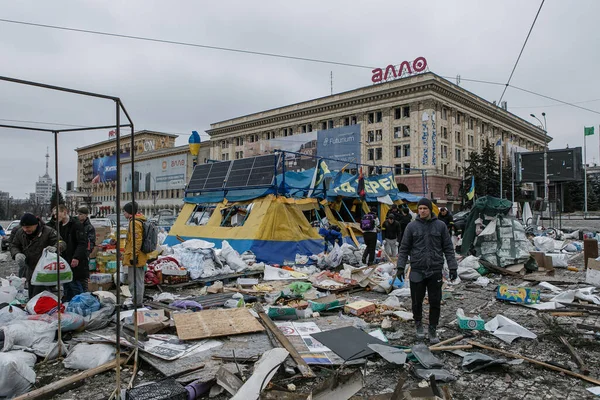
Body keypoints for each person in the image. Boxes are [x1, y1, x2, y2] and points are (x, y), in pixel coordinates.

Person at [396, 198, 458, 344]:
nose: (422, 211)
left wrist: (453, 266)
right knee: (416, 301)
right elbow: (404, 249)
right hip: (417, 269)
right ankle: (418, 325)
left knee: (435, 301)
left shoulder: (440, 226)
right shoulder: (411, 227)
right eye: (420, 208)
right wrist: (400, 267)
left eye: (425, 208)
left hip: (435, 269)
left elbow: (448, 248)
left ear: (430, 210)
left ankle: (432, 328)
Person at [10, 213, 60, 298]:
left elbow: (60, 242)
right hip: (30, 268)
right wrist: (16, 254)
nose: (26, 229)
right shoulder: (20, 232)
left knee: (40, 295)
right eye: (24, 227)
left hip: (44, 268)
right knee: (32, 294)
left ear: (36, 225)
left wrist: (55, 247)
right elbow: (14, 245)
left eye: (28, 227)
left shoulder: (48, 231)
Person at [51, 205, 89, 301]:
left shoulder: (76, 225)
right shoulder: (58, 225)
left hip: (75, 261)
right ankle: (69, 304)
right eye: (54, 215)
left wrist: (76, 257)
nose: (55, 217)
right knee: (66, 285)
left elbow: (82, 243)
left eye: (57, 214)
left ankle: (80, 304)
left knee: (75, 285)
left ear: (64, 212)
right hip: (64, 260)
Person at [123, 202, 149, 306]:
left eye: (124, 211)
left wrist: (134, 256)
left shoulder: (134, 223)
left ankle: (137, 303)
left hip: (135, 257)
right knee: (137, 280)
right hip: (137, 256)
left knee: (135, 281)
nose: (123, 214)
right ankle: (137, 301)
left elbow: (136, 240)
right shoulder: (137, 221)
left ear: (129, 212)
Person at [77, 207, 96, 290]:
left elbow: (91, 242)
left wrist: (87, 252)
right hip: (76, 252)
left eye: (81, 214)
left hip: (84, 254)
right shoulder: (77, 225)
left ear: (86, 215)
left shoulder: (89, 227)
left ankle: (84, 291)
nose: (79, 216)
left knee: (83, 275)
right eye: (78, 214)